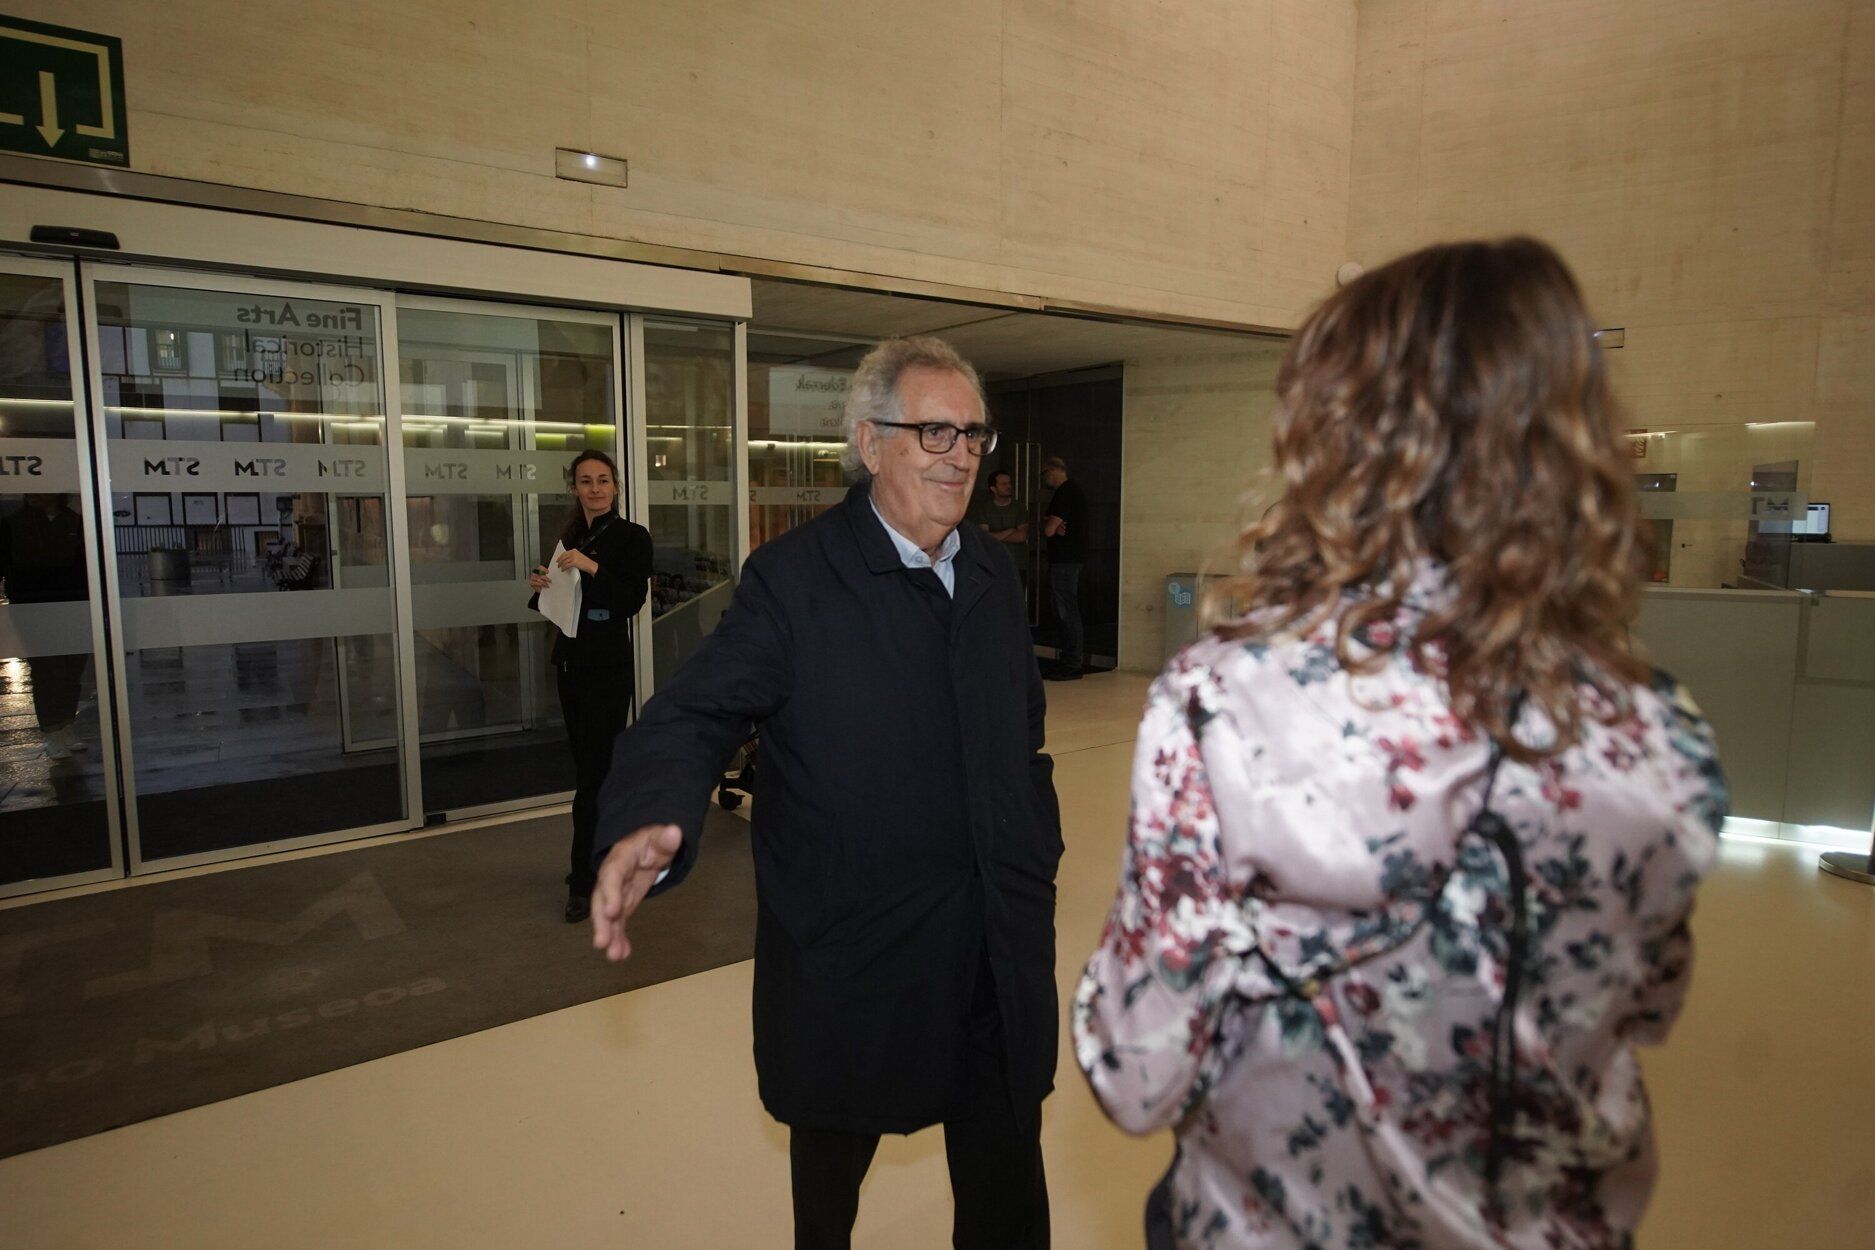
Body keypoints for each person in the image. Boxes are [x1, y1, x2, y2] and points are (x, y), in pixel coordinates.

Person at [1073, 238, 1728, 1249]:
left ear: (1336, 434)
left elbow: (1136, 1066)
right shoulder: (1659, 725)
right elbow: (1646, 1006)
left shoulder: (1227, 703)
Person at [589, 336, 1060, 1250]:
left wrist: (1033, 848)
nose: (960, 454)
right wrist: (653, 815)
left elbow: (1024, 739)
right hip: (860, 952)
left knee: (1006, 1189)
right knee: (830, 1197)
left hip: (995, 943)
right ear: (869, 442)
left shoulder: (995, 574)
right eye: (933, 432)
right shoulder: (796, 580)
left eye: (972, 434)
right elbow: (692, 715)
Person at [526, 449, 652, 923]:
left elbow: (632, 600)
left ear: (616, 487)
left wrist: (593, 567)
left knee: (594, 779)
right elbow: (554, 601)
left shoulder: (632, 538)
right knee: (588, 773)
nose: (595, 488)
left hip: (606, 669)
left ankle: (585, 880)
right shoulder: (572, 535)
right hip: (570, 666)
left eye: (603, 480)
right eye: (585, 481)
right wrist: (541, 583)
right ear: (574, 488)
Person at [0, 494, 90, 761]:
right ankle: (53, 729)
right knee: (47, 669)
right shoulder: (15, 523)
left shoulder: (74, 522)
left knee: (72, 668)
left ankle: (65, 724)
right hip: (34, 606)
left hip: (72, 604)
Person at [1039, 455, 1086, 680]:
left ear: (1053, 471)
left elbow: (1048, 529)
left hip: (1065, 560)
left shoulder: (1065, 493)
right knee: (1066, 609)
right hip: (1069, 558)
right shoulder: (1072, 492)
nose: (1044, 479)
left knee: (1066, 610)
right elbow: (1052, 525)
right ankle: (1070, 660)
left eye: (1044, 474)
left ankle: (1072, 662)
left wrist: (1050, 524)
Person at [971, 468, 1030, 587]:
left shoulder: (1019, 507)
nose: (1009, 486)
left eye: (1009, 483)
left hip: (1017, 564)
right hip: (993, 563)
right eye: (1004, 484)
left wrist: (994, 536)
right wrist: (1011, 530)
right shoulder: (985, 508)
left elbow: (1021, 536)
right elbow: (984, 538)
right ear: (993, 488)